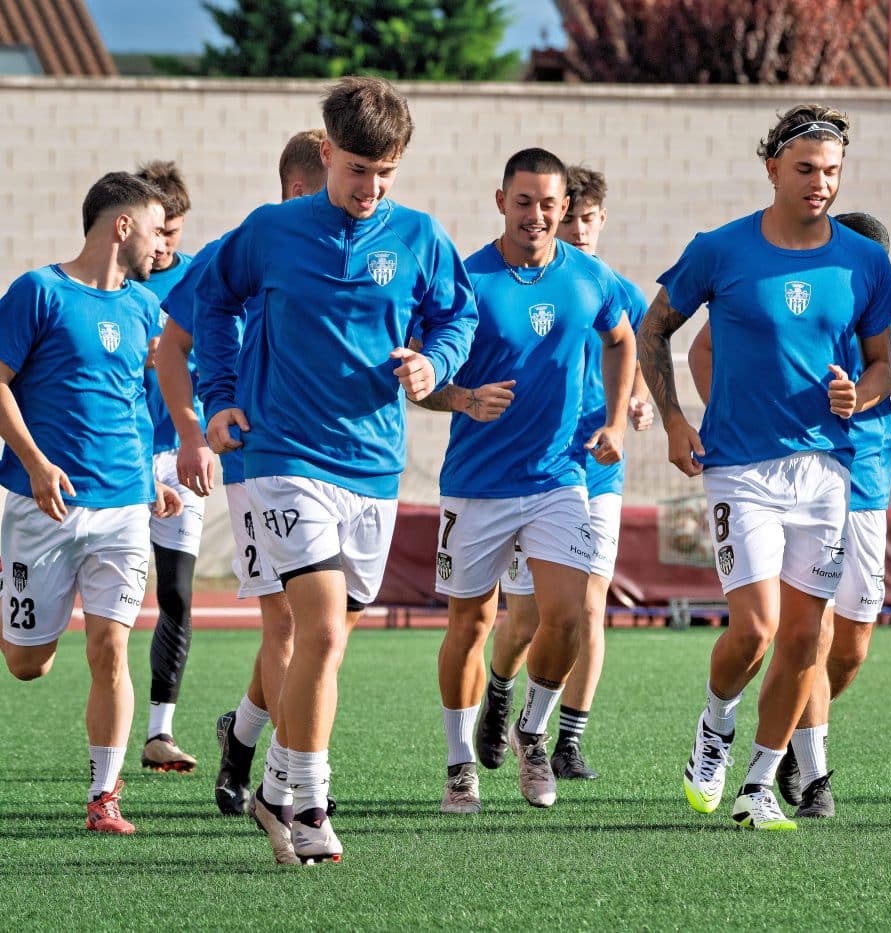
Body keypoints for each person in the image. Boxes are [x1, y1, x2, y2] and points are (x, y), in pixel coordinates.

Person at [197, 77, 478, 864]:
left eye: (385, 172)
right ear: (325, 154)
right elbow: (213, 303)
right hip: (284, 457)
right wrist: (218, 398)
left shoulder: (420, 237)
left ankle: (274, 783)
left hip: (374, 467)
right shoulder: (271, 231)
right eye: (358, 168)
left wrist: (434, 362)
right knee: (313, 628)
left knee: (329, 644)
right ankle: (312, 802)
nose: (371, 187)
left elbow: (457, 315)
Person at [638, 105, 891, 831]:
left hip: (827, 470)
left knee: (806, 640)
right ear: (773, 168)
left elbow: (881, 364)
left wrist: (862, 392)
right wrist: (675, 420)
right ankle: (715, 725)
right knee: (754, 628)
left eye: (832, 172)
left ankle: (758, 783)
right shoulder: (719, 251)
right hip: (741, 468)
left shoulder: (864, 260)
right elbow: (658, 328)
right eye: (806, 169)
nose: (819, 183)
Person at [688, 211, 891, 818]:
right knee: (794, 628)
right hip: (775, 469)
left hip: (864, 484)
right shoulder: (782, 277)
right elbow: (703, 347)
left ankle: (783, 737)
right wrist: (722, 413)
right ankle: (805, 770)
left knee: (849, 642)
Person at [423, 148, 635, 813]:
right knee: (471, 622)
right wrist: (460, 397)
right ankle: (461, 764)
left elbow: (623, 339)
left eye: (549, 203)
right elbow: (421, 377)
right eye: (524, 201)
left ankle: (534, 733)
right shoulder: (467, 280)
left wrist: (618, 426)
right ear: (500, 201)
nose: (536, 215)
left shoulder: (591, 278)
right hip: (477, 482)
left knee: (570, 615)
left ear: (564, 207)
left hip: (558, 478)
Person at [0, 172, 182, 834]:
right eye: (158, 231)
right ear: (123, 227)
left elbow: (132, 403)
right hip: (42, 506)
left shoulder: (141, 309)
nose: (165, 247)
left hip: (124, 509)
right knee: (28, 663)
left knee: (111, 648)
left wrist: (148, 475)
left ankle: (104, 794)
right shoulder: (37, 292)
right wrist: (35, 462)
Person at [153, 129, 327, 817]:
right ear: (294, 190)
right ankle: (299, 781)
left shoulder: (358, 247)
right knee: (292, 624)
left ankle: (242, 738)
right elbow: (175, 346)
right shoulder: (244, 248)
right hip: (260, 460)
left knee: (314, 626)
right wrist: (194, 431)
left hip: (337, 465)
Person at [477, 164, 653, 783]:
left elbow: (637, 348)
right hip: (531, 465)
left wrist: (635, 404)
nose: (573, 228)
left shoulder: (608, 285)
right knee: (524, 619)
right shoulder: (509, 276)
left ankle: (565, 735)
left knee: (586, 606)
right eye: (565, 216)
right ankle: (499, 689)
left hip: (594, 470)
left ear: (599, 219)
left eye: (583, 218)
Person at [131, 159, 205, 774]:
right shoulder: (107, 283)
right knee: (111, 605)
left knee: (176, 593)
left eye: (172, 234)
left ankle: (160, 731)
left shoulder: (200, 284)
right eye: (156, 233)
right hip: (118, 459)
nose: (162, 247)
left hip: (179, 457)